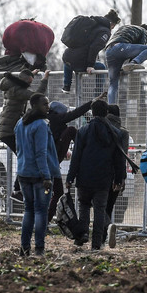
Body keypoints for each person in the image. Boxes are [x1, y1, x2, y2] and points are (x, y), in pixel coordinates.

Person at [66, 100, 125, 250]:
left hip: (84, 177)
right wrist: (119, 178)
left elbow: (76, 156)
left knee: (84, 206)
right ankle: (96, 244)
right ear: (106, 113)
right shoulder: (115, 133)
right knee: (100, 209)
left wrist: (70, 177)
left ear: (92, 113)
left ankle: (83, 234)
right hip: (104, 179)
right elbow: (119, 158)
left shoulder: (83, 131)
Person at [45, 94, 105, 222]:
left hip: (51, 161)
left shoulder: (52, 121)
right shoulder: (56, 119)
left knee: (54, 192)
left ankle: (45, 221)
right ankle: (44, 221)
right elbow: (75, 113)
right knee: (72, 130)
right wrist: (92, 102)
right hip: (51, 162)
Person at [15, 93, 61, 256]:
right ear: (34, 105)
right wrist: (47, 176)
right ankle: (39, 248)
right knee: (41, 211)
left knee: (29, 210)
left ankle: (24, 248)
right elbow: (41, 153)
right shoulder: (41, 125)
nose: (48, 107)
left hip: (23, 172)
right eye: (45, 104)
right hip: (39, 175)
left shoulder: (20, 123)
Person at [61, 9, 120, 93]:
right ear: (112, 24)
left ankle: (66, 86)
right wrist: (90, 65)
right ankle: (98, 93)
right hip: (79, 61)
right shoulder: (105, 31)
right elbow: (94, 47)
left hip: (67, 56)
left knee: (68, 61)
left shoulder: (92, 24)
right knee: (101, 67)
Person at [0, 69, 49, 153]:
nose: (29, 85)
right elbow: (37, 96)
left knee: (24, 154)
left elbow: (21, 80)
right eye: (29, 82)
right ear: (23, 81)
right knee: (25, 155)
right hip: (10, 131)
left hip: (6, 130)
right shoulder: (18, 91)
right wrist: (44, 79)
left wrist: (31, 74)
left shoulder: (12, 86)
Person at [105, 23, 147, 103]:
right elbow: (141, 46)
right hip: (121, 47)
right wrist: (133, 62)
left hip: (108, 51)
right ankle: (134, 62)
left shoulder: (127, 27)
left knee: (113, 83)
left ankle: (110, 108)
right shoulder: (144, 31)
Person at [104, 103, 130, 248]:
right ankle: (106, 233)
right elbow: (123, 156)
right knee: (108, 207)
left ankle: (105, 230)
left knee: (100, 207)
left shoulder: (102, 128)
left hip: (100, 174)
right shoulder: (124, 132)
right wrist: (122, 177)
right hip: (116, 174)